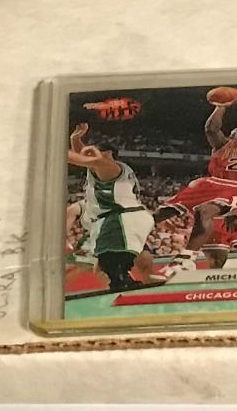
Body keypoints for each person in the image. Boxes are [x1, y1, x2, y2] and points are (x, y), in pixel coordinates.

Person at [67, 123, 166, 292]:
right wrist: (75, 138)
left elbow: (77, 158)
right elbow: (83, 156)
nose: (87, 154)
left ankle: (122, 283)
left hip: (121, 216)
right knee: (132, 252)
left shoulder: (108, 166)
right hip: (131, 215)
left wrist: (48, 147)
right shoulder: (108, 168)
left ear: (108, 154)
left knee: (108, 258)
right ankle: (139, 278)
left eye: (93, 151)